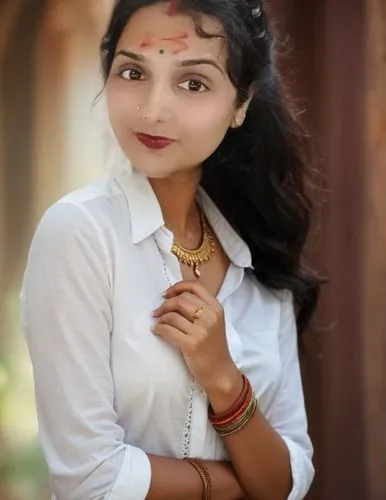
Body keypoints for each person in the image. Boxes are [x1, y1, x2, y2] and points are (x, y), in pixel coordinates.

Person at [21, 1, 322, 499]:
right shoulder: (80, 235)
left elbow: (294, 477)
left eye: (193, 83)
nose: (153, 108)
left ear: (241, 103)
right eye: (134, 71)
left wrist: (225, 381)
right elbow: (88, 480)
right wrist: (233, 484)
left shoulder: (256, 257)